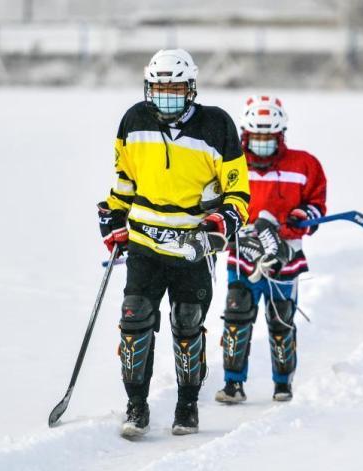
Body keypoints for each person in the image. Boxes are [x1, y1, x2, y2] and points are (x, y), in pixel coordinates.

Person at [98, 49, 250, 437]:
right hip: (145, 242)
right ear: (149, 88)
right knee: (134, 320)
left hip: (192, 247)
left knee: (187, 324)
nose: (167, 94)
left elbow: (238, 197)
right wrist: (113, 216)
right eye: (159, 87)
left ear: (191, 88)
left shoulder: (217, 126)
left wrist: (217, 226)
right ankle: (136, 408)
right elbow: (125, 181)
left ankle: (187, 407)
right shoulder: (133, 120)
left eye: (176, 87)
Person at [214, 95, 327, 403]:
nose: (262, 142)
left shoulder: (304, 165)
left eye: (269, 137)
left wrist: (303, 216)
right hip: (243, 257)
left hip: (285, 259)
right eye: (256, 136)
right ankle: (233, 384)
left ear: (281, 135)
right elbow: (218, 203)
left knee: (281, 321)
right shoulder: (231, 165)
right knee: (236, 318)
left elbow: (317, 206)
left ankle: (282, 383)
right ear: (245, 135)